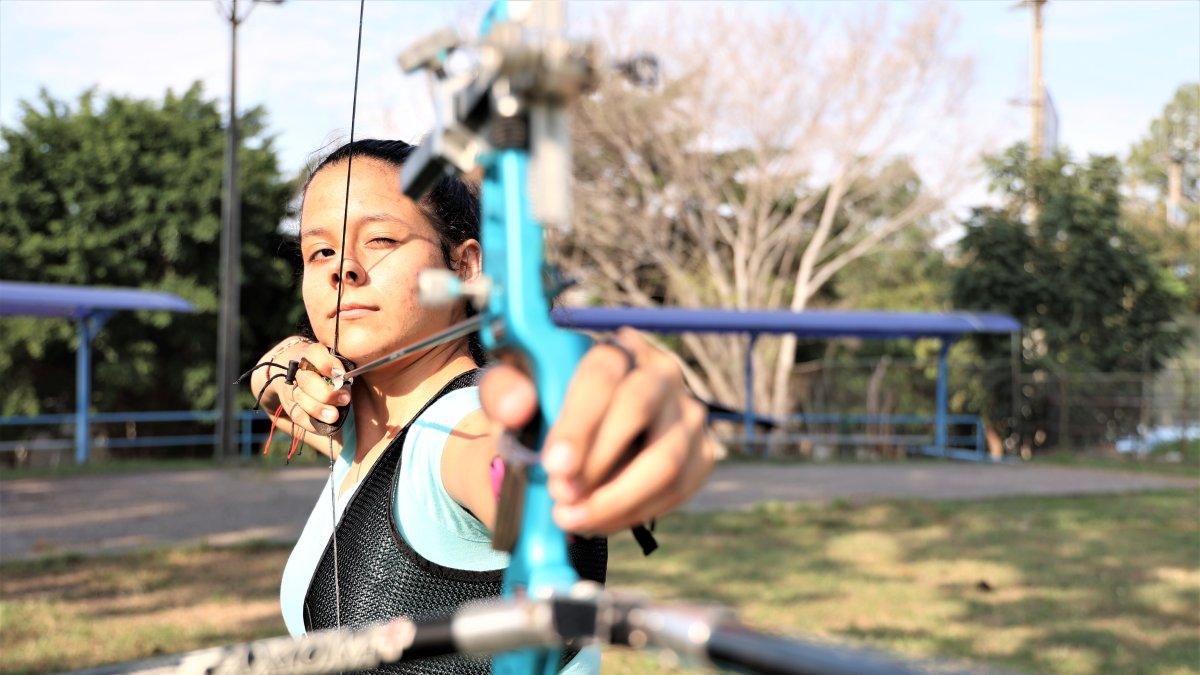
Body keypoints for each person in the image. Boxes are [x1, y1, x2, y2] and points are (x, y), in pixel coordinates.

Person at [247, 139, 715, 673]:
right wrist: (286, 371)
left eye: (380, 239)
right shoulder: (357, 427)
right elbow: (268, 375)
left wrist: (603, 445)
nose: (343, 269)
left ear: (466, 265)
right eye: (320, 251)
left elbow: (521, 468)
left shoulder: (459, 431)